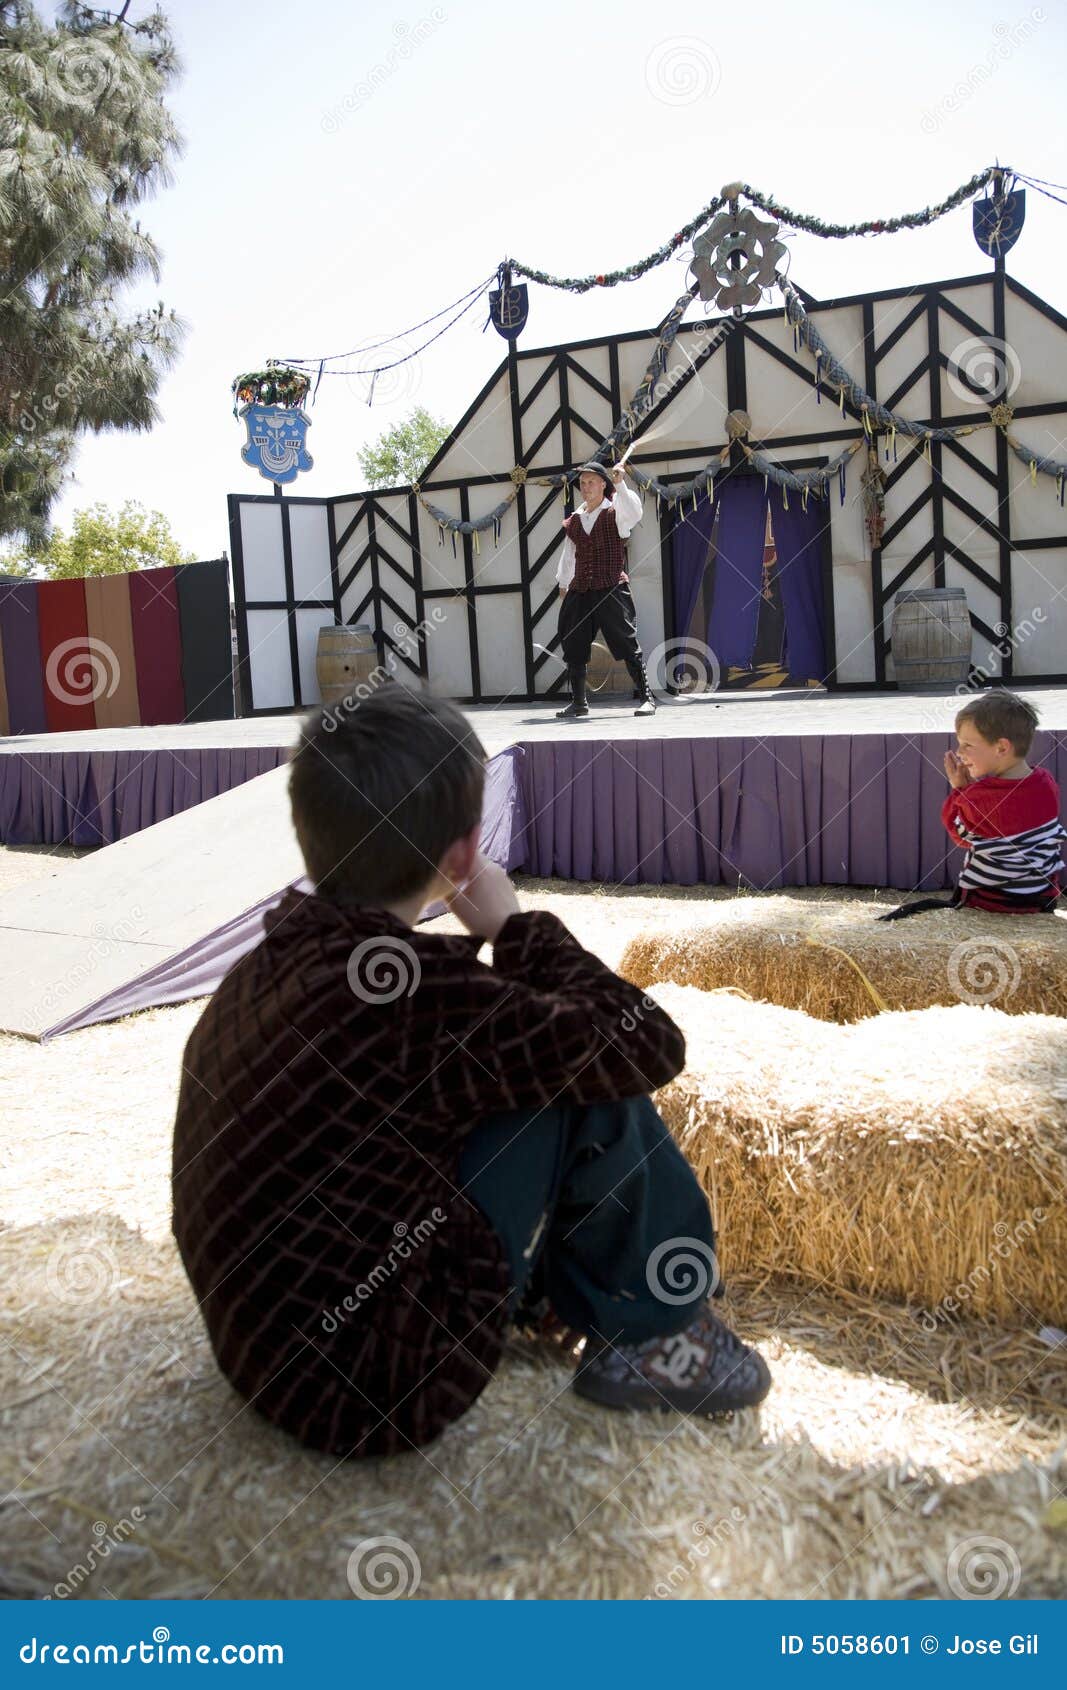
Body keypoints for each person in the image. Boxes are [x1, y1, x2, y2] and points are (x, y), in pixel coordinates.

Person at [171, 686, 770, 1459]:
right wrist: (519, 929)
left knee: (534, 1063)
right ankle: (658, 1332)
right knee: (587, 1085)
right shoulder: (426, 1000)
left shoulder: (267, 962)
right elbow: (648, 1044)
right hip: (380, 1388)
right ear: (461, 855)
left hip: (261, 1357)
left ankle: (567, 1290)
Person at [880, 690, 1064, 921]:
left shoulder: (979, 797)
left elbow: (961, 836)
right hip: (1041, 901)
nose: (959, 752)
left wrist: (960, 790)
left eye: (967, 745)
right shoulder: (1046, 782)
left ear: (1001, 748)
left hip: (989, 903)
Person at [555, 460, 657, 719]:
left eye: (591, 482)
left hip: (610, 586)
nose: (586, 487)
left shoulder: (616, 513)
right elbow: (570, 555)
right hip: (580, 588)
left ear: (603, 484)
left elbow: (635, 512)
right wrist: (564, 584)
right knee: (573, 641)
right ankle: (579, 702)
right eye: (583, 483)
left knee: (625, 640)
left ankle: (647, 698)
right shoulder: (576, 520)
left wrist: (621, 483)